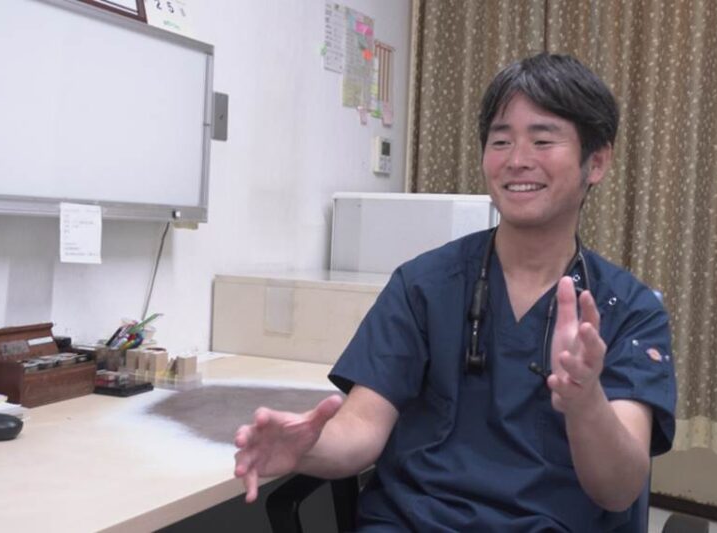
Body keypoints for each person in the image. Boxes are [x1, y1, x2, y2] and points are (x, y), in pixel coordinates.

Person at [234, 52, 676, 531]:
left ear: (597, 162)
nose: (517, 160)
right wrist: (308, 448)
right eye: (500, 140)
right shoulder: (423, 285)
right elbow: (362, 426)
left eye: (542, 140)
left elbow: (619, 488)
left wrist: (585, 400)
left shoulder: (628, 310)